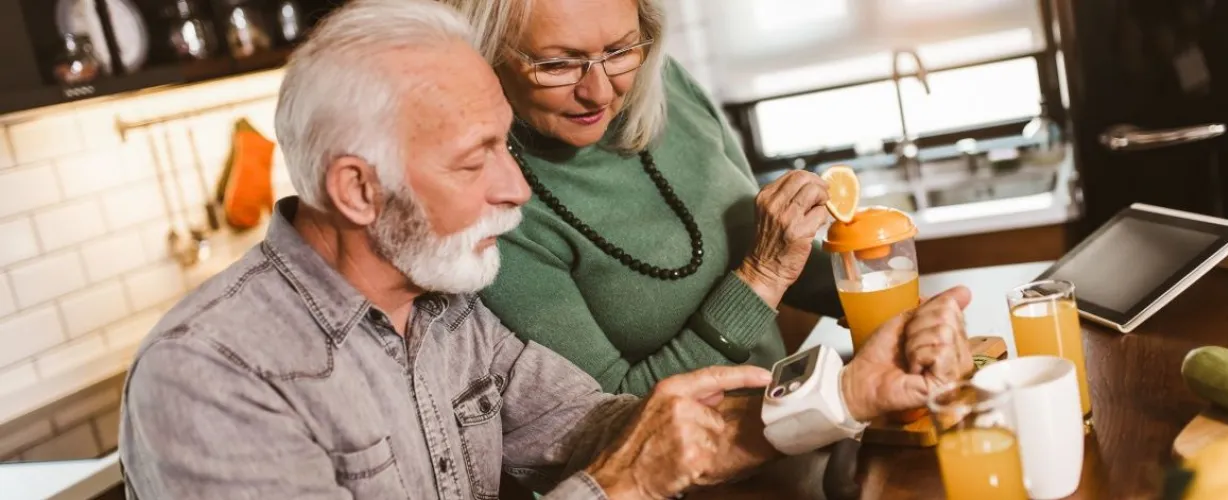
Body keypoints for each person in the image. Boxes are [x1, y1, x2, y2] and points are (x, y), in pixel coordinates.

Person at [117, 1, 974, 498]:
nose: (517, 189)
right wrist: (623, 486)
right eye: (475, 160)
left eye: (505, 146)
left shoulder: (451, 322)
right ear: (356, 190)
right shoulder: (212, 377)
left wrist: (856, 387)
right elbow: (633, 463)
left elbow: (634, 426)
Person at [446, 0, 845, 395]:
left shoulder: (670, 85)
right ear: (485, 52)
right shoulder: (494, 208)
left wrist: (895, 302)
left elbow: (783, 260)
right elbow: (613, 409)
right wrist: (762, 277)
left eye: (620, 51)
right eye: (557, 65)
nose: (599, 92)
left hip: (794, 424)